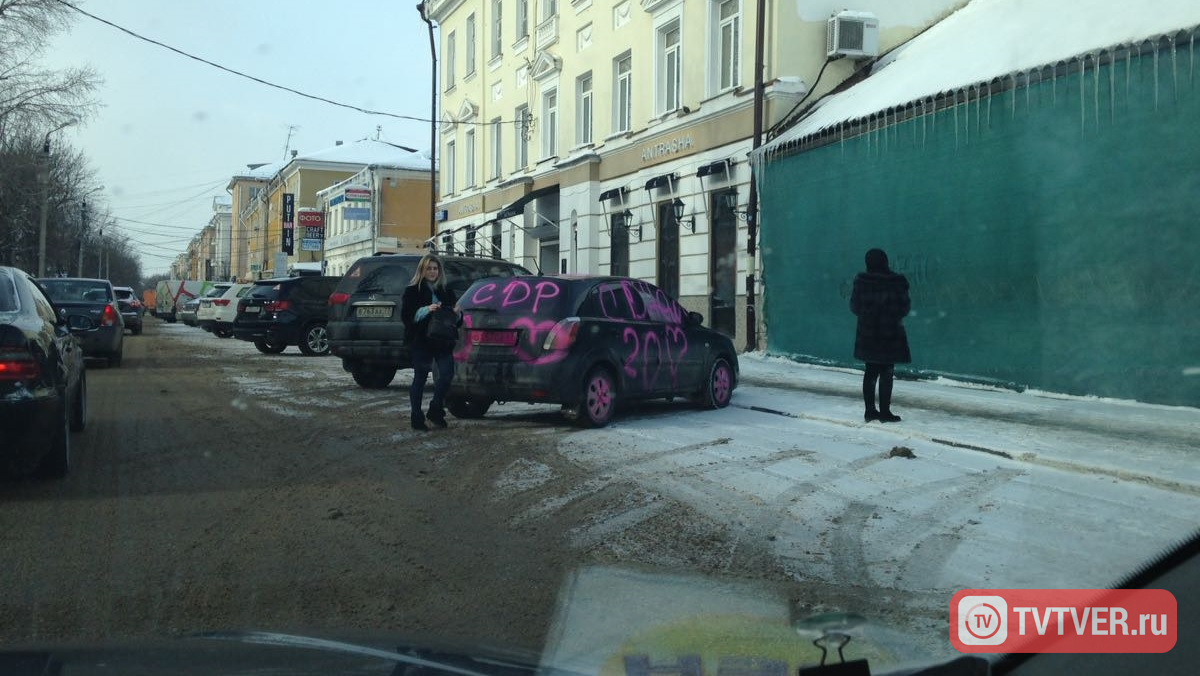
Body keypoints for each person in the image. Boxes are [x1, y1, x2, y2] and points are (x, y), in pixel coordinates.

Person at [850, 248, 911, 423]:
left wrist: (868, 314)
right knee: (887, 372)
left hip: (868, 334)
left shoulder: (862, 282)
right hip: (890, 334)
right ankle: (885, 412)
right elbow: (905, 308)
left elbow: (854, 307)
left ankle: (870, 411)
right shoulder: (897, 282)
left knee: (870, 372)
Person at [401, 254, 460, 431]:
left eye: (435, 268)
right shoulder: (413, 291)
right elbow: (406, 317)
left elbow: (454, 320)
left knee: (447, 374)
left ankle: (435, 409)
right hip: (421, 340)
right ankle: (416, 417)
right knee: (420, 378)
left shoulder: (446, 291)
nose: (432, 272)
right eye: (429, 268)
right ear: (422, 270)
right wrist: (426, 310)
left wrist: (457, 314)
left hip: (443, 341)